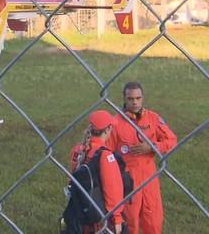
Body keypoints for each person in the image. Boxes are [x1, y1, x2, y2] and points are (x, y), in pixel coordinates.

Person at [107, 82, 177, 234]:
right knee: (131, 222)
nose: (135, 102)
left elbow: (172, 140)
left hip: (150, 178)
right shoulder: (116, 123)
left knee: (153, 221)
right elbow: (107, 154)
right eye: (130, 98)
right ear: (124, 99)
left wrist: (152, 147)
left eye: (138, 98)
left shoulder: (153, 118)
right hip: (128, 180)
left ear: (143, 98)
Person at [68, 110, 126, 234]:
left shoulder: (77, 149)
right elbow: (113, 189)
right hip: (98, 214)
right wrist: (116, 218)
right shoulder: (105, 155)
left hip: (78, 208)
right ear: (107, 129)